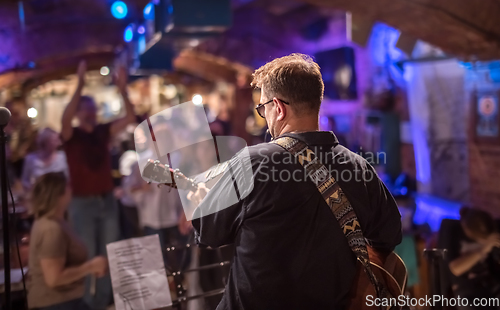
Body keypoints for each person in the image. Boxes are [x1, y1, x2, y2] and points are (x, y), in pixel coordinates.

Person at [189, 54, 402, 309]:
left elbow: (209, 233)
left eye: (262, 108)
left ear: (278, 108)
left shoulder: (252, 162)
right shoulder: (359, 167)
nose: (264, 117)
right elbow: (389, 235)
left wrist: (200, 200)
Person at [61, 61, 135, 310]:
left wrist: (123, 90)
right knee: (88, 254)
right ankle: (88, 303)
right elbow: (65, 118)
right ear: (78, 113)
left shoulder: (102, 131)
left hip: (106, 199)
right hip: (82, 203)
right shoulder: (70, 136)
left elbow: (130, 118)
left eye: (92, 108)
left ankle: (102, 302)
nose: (90, 112)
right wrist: (79, 85)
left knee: (109, 252)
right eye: (86, 109)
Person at [27, 172, 108, 310]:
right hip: (55, 304)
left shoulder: (57, 222)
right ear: (59, 195)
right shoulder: (51, 229)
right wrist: (90, 267)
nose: (71, 189)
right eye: (68, 187)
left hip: (66, 301)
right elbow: (54, 279)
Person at [447, 207, 500, 309]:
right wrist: (483, 249)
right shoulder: (454, 233)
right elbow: (455, 268)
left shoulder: (493, 231)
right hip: (468, 288)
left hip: (492, 282)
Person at [21, 127, 69, 192]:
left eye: (57, 140)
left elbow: (67, 179)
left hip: (57, 196)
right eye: (54, 140)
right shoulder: (31, 159)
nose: (58, 143)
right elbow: (25, 181)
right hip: (37, 196)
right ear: (45, 141)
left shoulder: (62, 157)